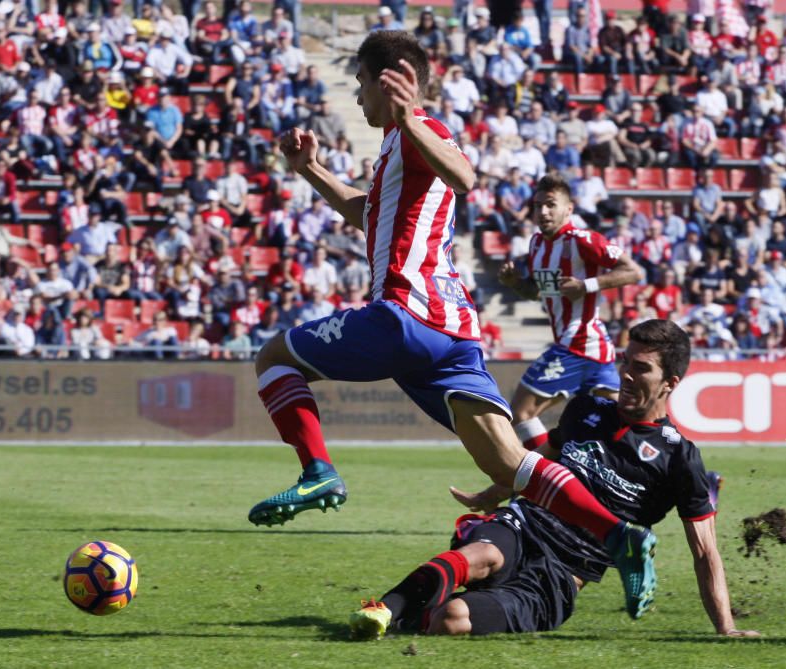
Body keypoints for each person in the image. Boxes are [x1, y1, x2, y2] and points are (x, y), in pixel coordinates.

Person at [254, 31, 658, 618]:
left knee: (273, 357)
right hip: (450, 331)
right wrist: (310, 168)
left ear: (389, 79)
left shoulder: (424, 129)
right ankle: (621, 536)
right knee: (505, 461)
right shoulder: (398, 147)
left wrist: (412, 114)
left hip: (404, 313)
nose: (358, 96)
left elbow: (465, 177)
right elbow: (363, 211)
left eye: (363, 83)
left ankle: (317, 471)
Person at [350, 320, 756, 639]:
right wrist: (495, 493)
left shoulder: (680, 458)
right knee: (481, 557)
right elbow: (540, 463)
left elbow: (705, 552)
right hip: (525, 525)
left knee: (451, 618)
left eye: (641, 368)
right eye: (625, 363)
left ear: (671, 383)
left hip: (560, 577)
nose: (627, 375)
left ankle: (417, 614)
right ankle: (382, 610)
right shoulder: (585, 410)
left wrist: (725, 626)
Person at [497, 173, 643, 452]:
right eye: (538, 205)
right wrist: (514, 283)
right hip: (591, 349)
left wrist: (586, 285)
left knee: (522, 413)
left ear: (569, 209)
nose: (543, 212)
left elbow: (633, 271)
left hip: (577, 343)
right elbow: (538, 292)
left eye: (551, 204)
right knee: (626, 423)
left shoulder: (583, 240)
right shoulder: (537, 244)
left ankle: (543, 485)